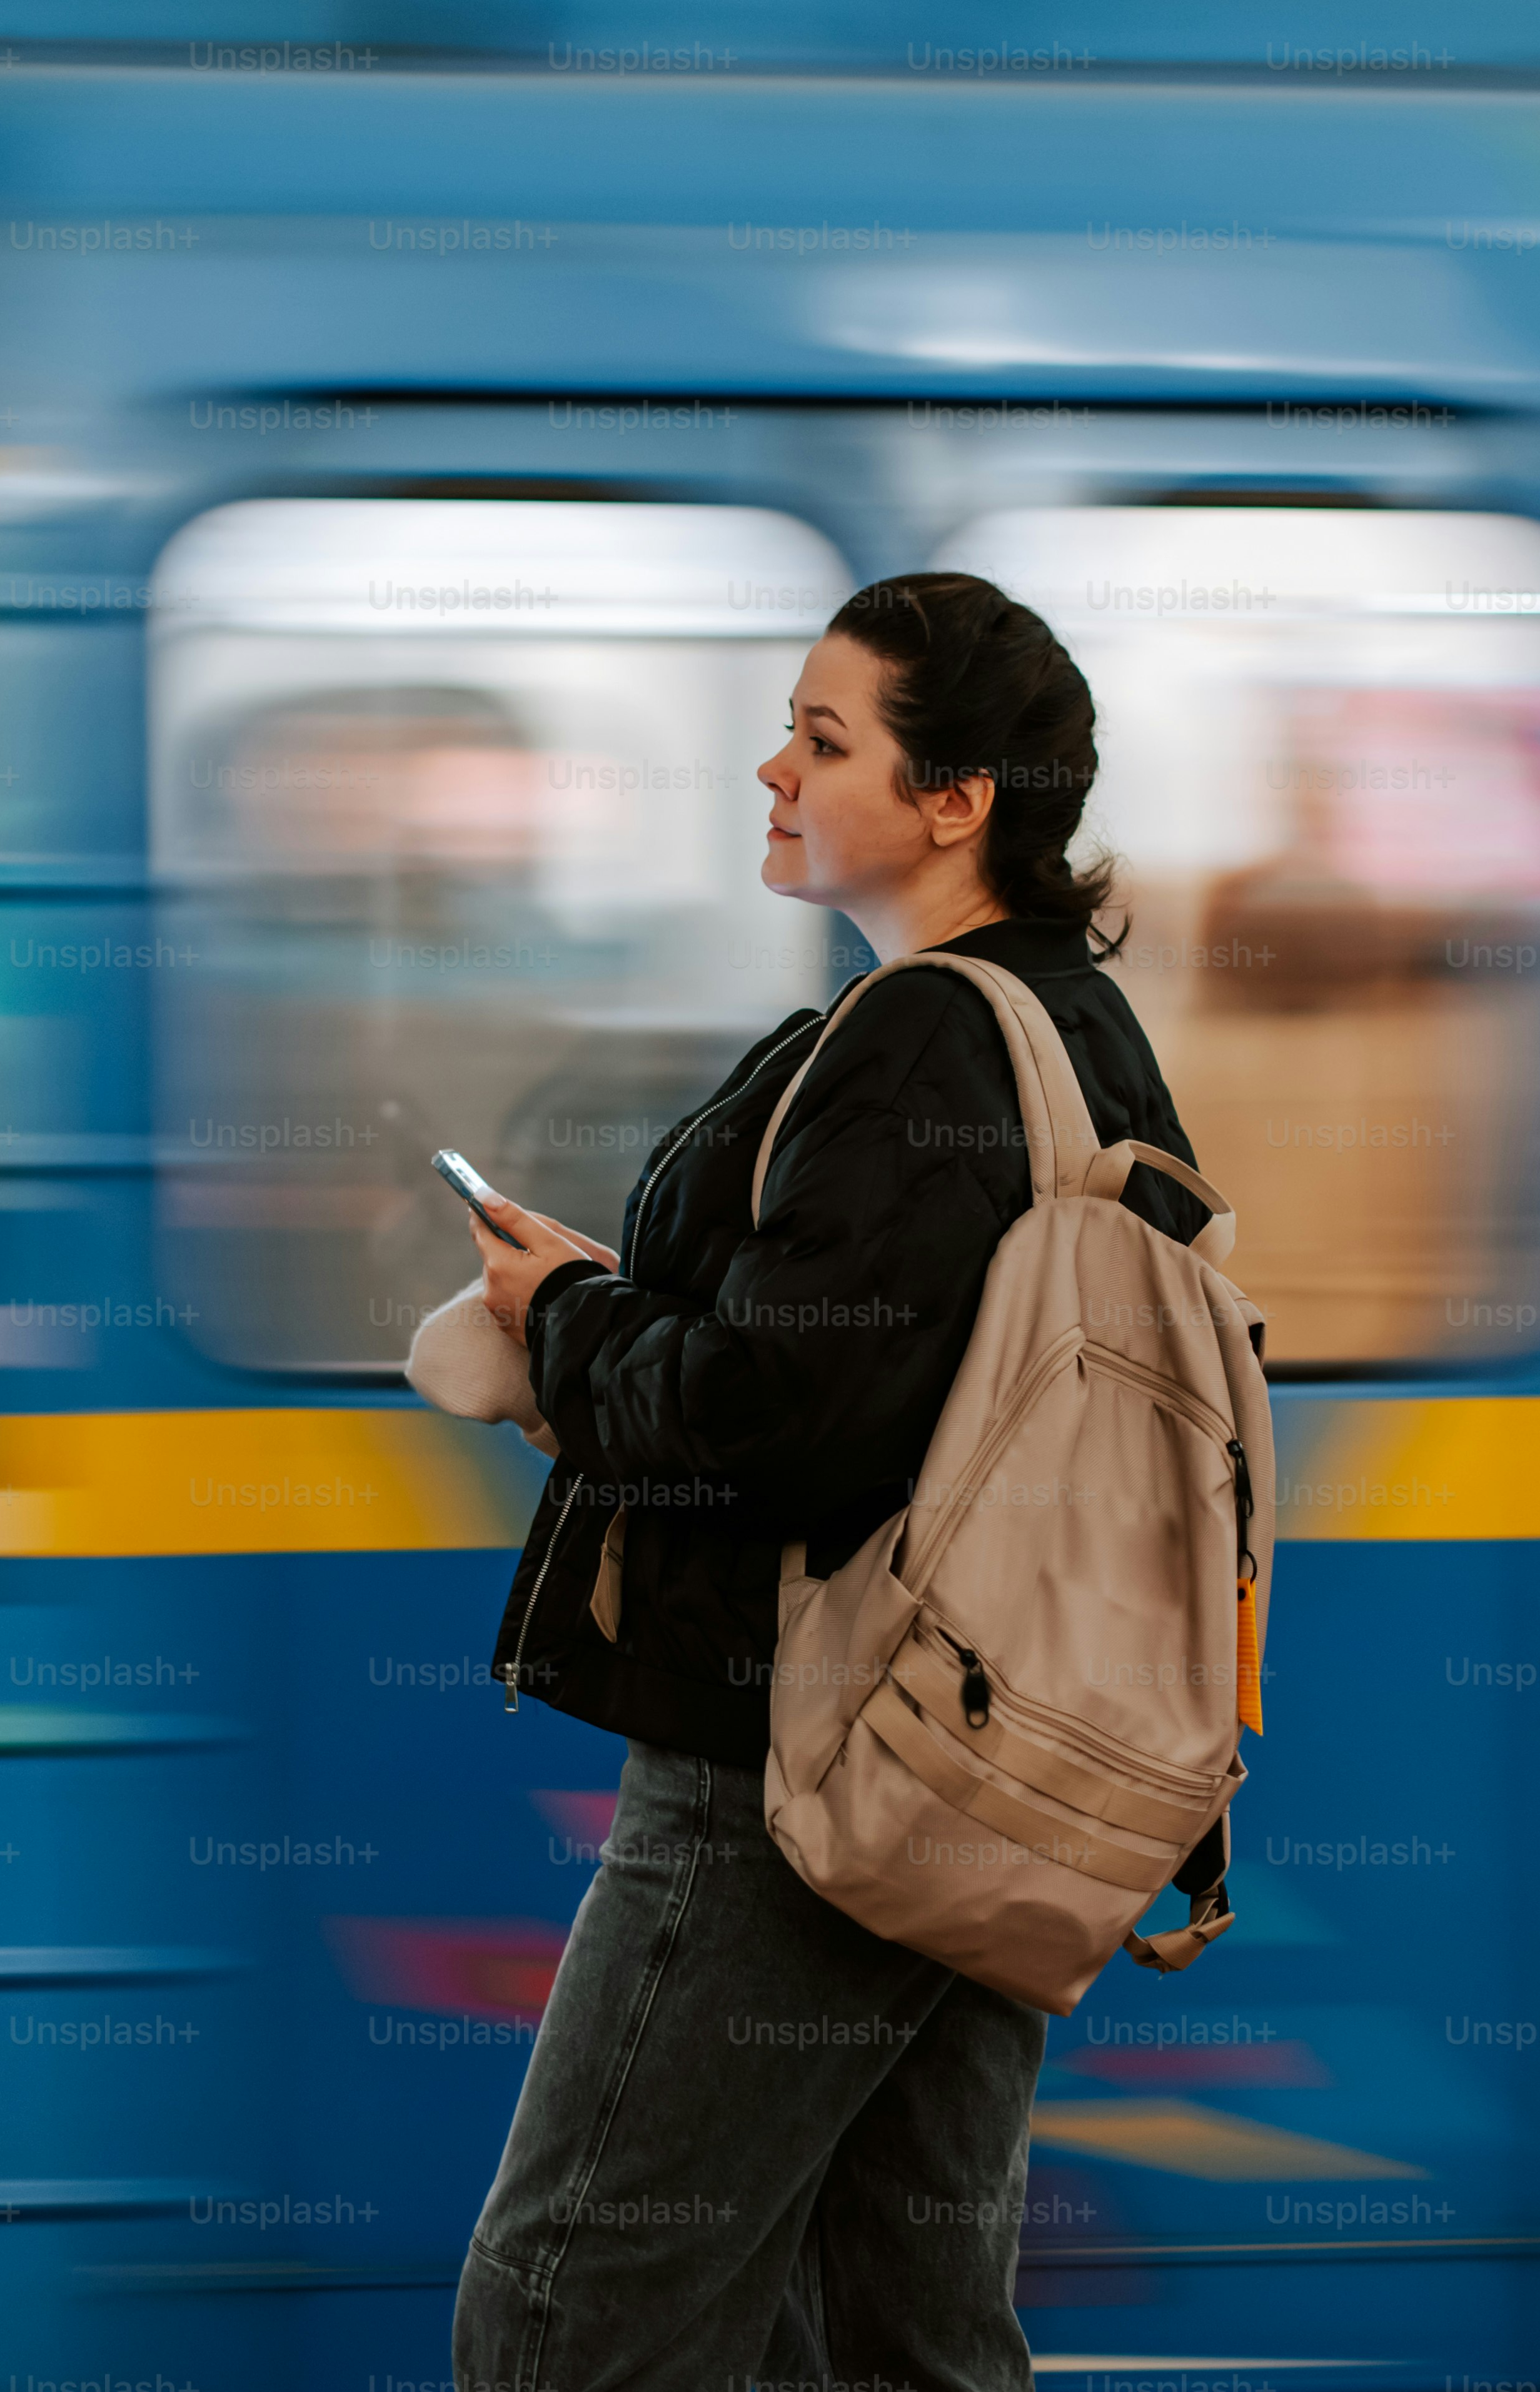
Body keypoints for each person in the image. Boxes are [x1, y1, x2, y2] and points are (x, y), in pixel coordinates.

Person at [448, 572, 1211, 2391]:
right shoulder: (1065, 1024)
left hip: (802, 1761)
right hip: (975, 1745)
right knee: (890, 2332)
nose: (770, 769)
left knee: (567, 2312)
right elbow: (880, 1374)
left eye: (822, 736)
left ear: (956, 798)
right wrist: (612, 1315)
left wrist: (561, 1320)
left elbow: (780, 1416)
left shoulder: (928, 1037)